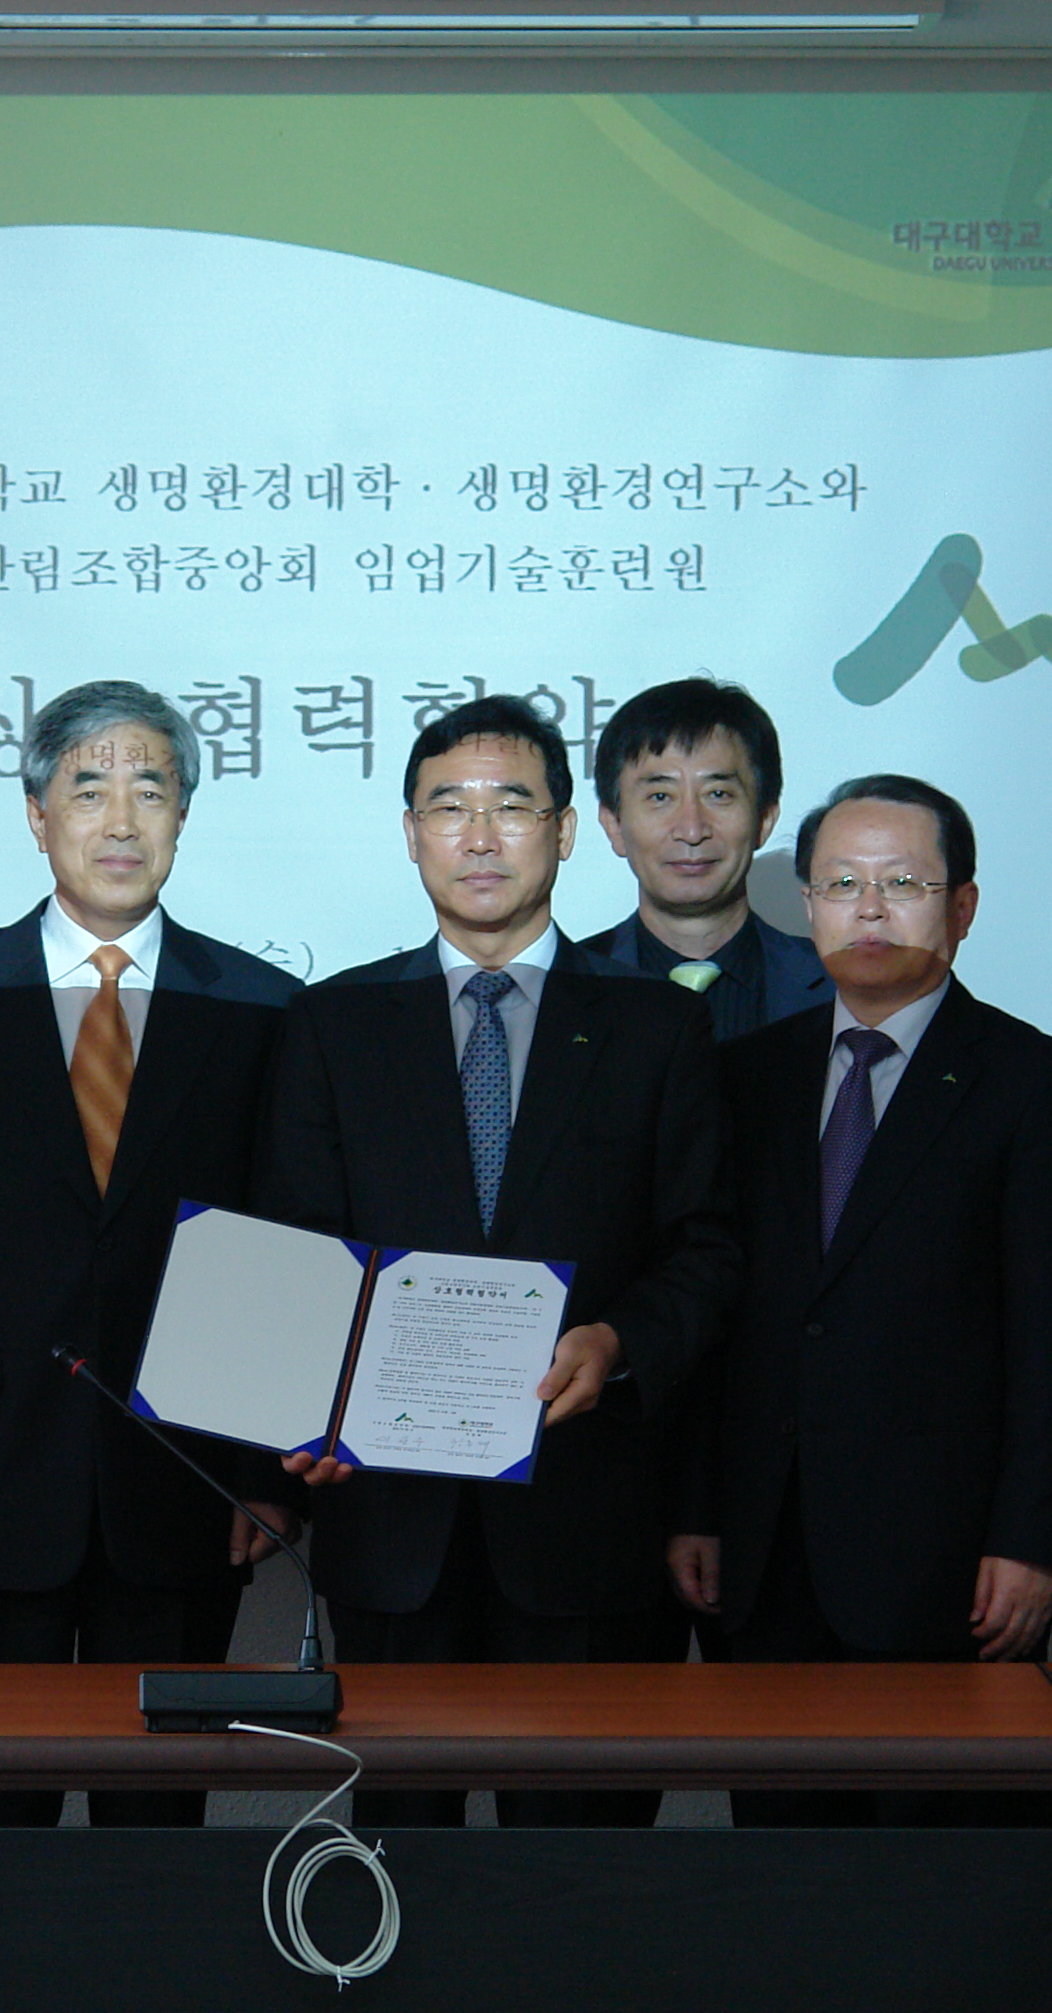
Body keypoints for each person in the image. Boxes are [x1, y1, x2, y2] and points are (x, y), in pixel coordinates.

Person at [262, 694, 736, 1829]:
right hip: (390, 1523)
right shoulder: (333, 1024)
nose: (480, 837)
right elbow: (295, 1248)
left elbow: (709, 1248)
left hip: (586, 1521)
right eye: (449, 809)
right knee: (394, 1859)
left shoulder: (656, 1028)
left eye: (511, 806)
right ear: (411, 833)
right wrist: (305, 1396)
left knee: (576, 1873)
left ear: (564, 831)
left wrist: (619, 1341)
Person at [0, 681, 300, 1829]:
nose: (119, 819)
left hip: (183, 1475)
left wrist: (261, 1472)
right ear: (35, 815)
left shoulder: (261, 1008)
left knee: (157, 1819)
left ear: (182, 816)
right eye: (89, 788)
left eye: (149, 790)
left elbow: (275, 1253)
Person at [668, 773, 1052, 1823]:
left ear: (963, 907)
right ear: (806, 904)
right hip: (765, 1551)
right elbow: (720, 1313)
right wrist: (699, 1507)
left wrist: (1032, 1539)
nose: (868, 909)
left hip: (947, 1561)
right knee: (782, 1858)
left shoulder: (1035, 1081)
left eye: (903, 883)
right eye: (840, 883)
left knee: (931, 1863)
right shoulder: (747, 1076)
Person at [577, 676, 833, 1044]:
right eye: (660, 797)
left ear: (764, 820)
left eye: (718, 794)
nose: (692, 830)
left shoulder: (842, 986)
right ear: (613, 825)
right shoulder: (560, 989)